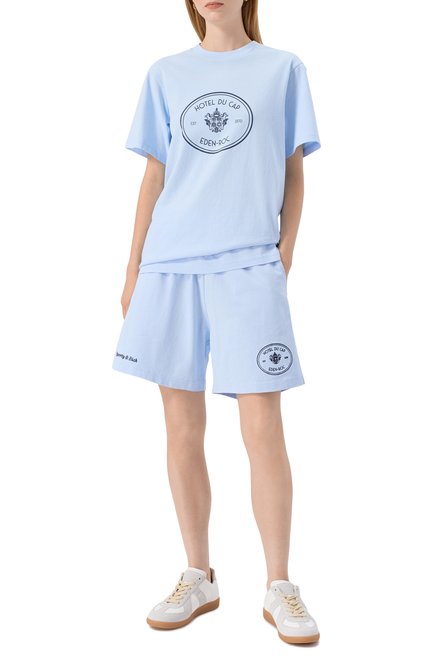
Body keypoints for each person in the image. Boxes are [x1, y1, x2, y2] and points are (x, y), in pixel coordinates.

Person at [112, 0, 321, 646]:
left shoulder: (283, 69)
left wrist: (283, 255)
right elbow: (155, 175)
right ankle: (198, 574)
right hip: (170, 265)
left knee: (263, 428)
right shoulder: (165, 73)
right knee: (181, 427)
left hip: (249, 265)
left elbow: (292, 170)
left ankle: (280, 584)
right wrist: (133, 267)